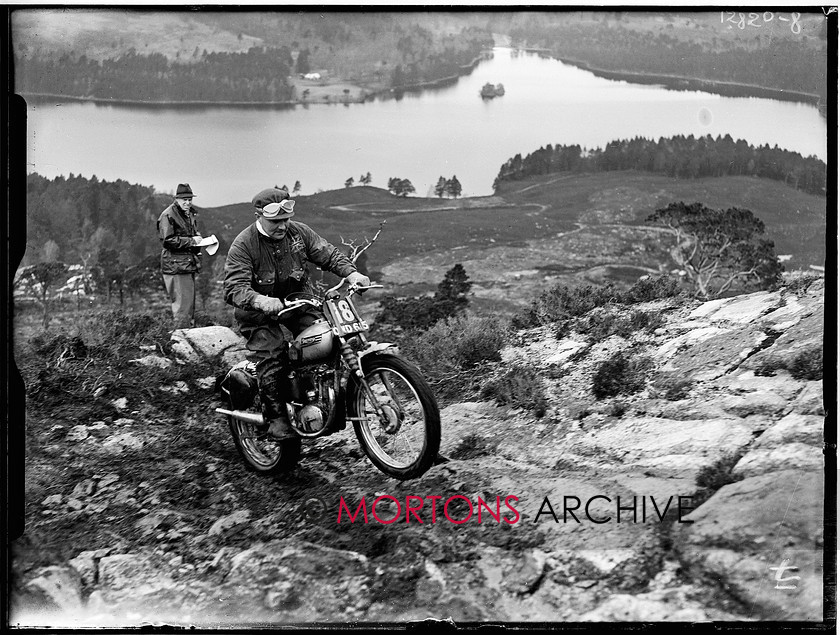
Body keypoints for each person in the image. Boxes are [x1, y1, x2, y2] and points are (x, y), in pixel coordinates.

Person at [223, 187, 370, 440]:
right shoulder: (244, 244)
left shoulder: (298, 232)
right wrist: (260, 300)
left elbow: (328, 254)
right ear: (259, 216)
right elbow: (234, 288)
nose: (282, 226)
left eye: (285, 220)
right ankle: (277, 418)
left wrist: (351, 273)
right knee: (273, 352)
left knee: (324, 338)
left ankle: (318, 398)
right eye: (275, 221)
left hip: (298, 304)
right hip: (258, 314)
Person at [157, 183, 202, 328]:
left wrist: (198, 240)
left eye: (190, 199)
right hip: (176, 266)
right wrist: (191, 241)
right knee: (182, 307)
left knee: (188, 305)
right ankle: (181, 341)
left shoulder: (188, 214)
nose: (188, 202)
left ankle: (186, 336)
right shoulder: (168, 215)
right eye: (184, 200)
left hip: (185, 264)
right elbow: (167, 240)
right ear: (177, 199)